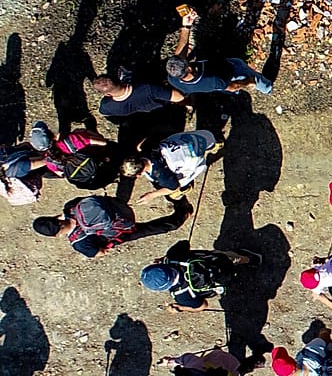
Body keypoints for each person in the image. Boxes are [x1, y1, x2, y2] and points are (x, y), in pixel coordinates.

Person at [32, 194, 191, 258]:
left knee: (150, 229)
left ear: (56, 235)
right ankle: (177, 201)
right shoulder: (70, 206)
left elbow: (100, 252)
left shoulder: (79, 243)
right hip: (117, 208)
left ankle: (181, 216)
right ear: (55, 218)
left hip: (121, 231)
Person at [165, 7, 274, 96]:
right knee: (247, 76)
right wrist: (248, 82)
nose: (182, 55)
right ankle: (267, 88)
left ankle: (236, 92)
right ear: (188, 68)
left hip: (218, 76)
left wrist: (186, 26)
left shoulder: (173, 77)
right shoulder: (212, 80)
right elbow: (232, 87)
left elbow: (180, 52)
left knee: (223, 87)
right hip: (231, 72)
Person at [140, 239, 256, 313]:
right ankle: (251, 259)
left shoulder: (180, 295)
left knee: (228, 280)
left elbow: (202, 305)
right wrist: (164, 259)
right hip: (217, 260)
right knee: (231, 258)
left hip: (220, 281)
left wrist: (180, 307)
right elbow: (185, 243)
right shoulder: (173, 256)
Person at [123, 130, 221, 204]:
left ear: (139, 174)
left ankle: (185, 188)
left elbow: (173, 187)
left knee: (174, 189)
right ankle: (215, 144)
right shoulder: (145, 147)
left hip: (195, 157)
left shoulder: (162, 176)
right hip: (197, 137)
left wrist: (152, 195)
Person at [92, 73, 184, 120]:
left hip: (143, 115)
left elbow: (104, 113)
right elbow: (179, 97)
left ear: (107, 94)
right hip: (161, 105)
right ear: (119, 79)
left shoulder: (106, 106)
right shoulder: (147, 88)